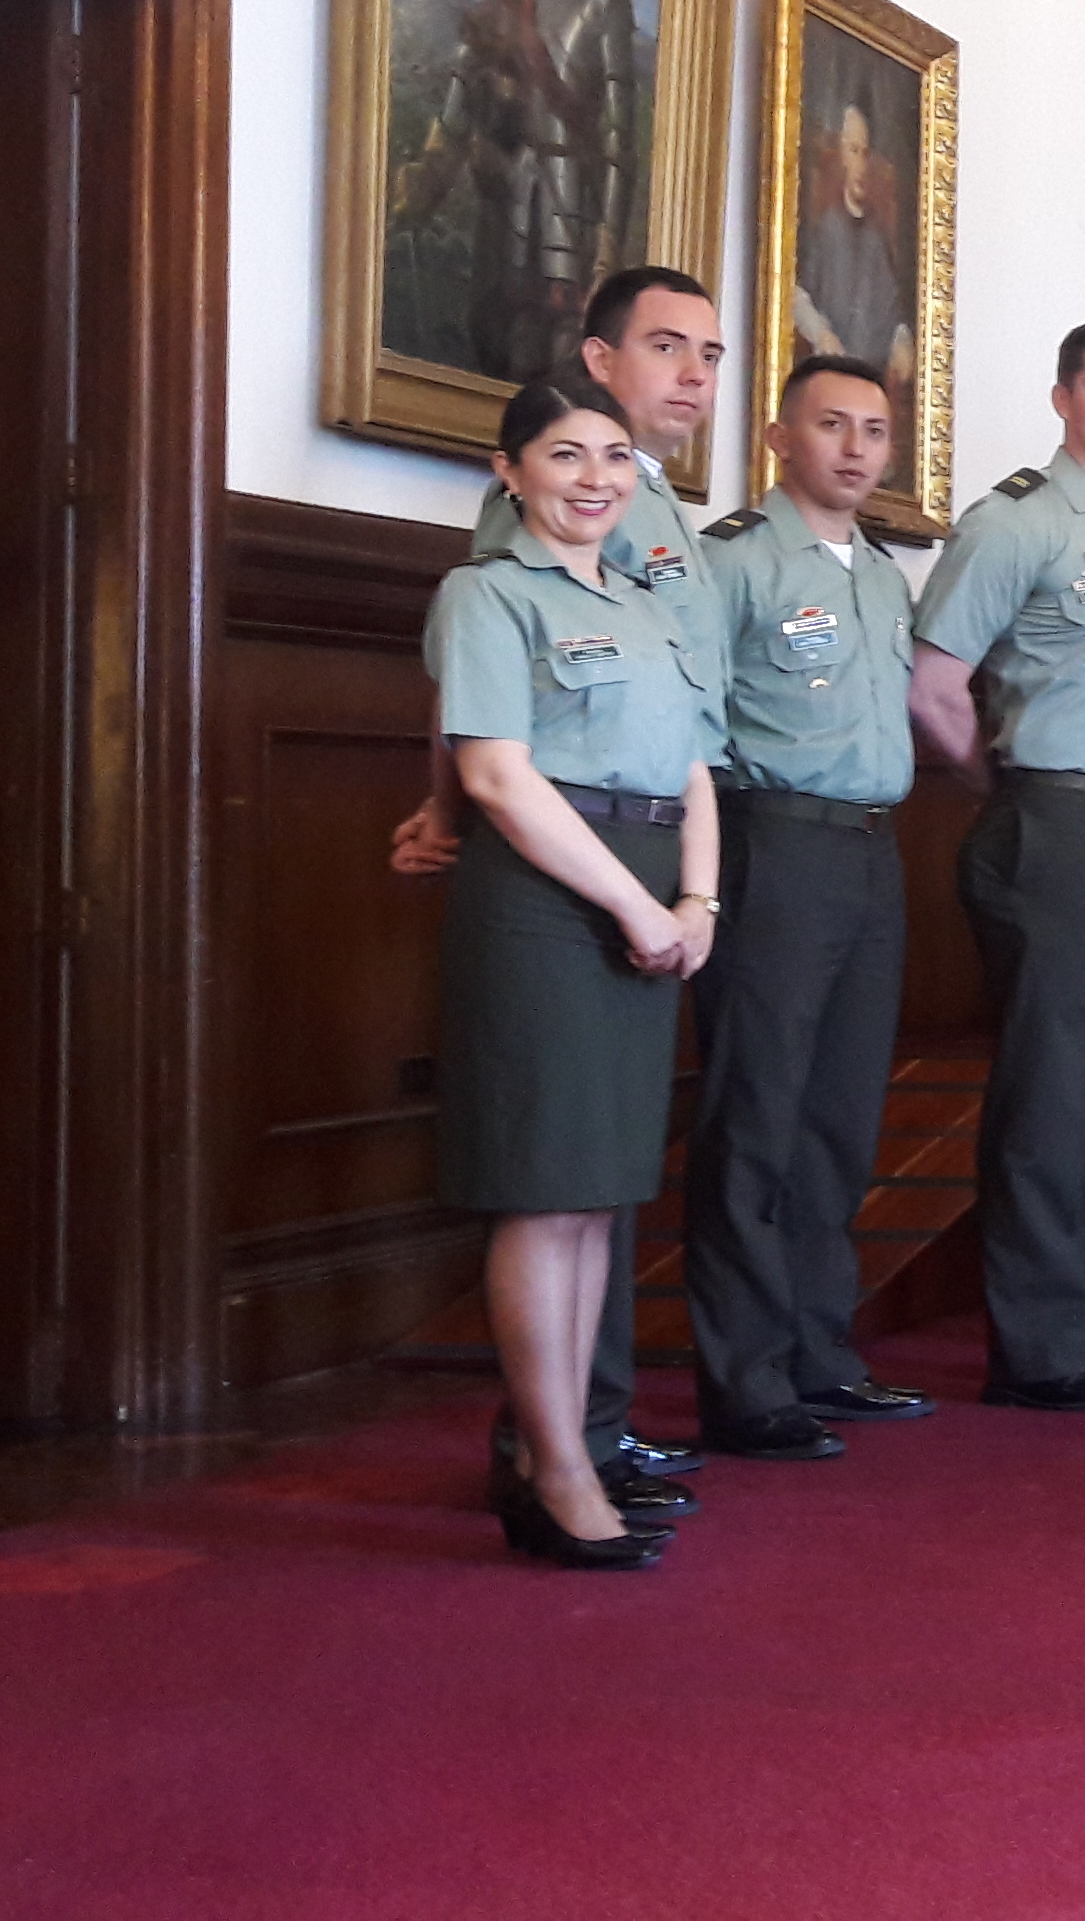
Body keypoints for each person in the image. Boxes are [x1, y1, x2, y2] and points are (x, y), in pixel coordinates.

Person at [393, 264, 726, 1524]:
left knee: (599, 1187)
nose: (594, 476)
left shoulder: (644, 595)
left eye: (611, 461)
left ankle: (577, 1440)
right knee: (545, 1183)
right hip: (551, 890)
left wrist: (693, 902)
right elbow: (493, 764)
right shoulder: (490, 590)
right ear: (511, 473)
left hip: (646, 882)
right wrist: (640, 911)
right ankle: (557, 1461)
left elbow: (692, 758)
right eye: (566, 456)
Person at [906, 321, 1085, 1413]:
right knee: (1050, 1090)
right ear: (1062, 398)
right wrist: (1008, 790)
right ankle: (1036, 1347)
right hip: (1058, 823)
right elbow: (934, 685)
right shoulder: (1016, 522)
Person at [682, 356, 930, 1464]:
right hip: (771, 844)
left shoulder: (883, 573)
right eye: (830, 426)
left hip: (872, 851)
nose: (855, 449)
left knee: (840, 1117)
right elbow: (688, 719)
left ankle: (818, 1352)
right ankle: (743, 1380)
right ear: (781, 439)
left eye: (873, 431)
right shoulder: (734, 559)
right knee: (759, 1114)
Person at [392, 0, 639, 387]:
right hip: (503, 190)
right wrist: (432, 161)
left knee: (558, 361)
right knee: (493, 334)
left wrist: (608, 247)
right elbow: (469, 70)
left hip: (567, 202)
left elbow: (615, 135)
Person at [789, 98, 913, 372]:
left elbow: (890, 313)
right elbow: (794, 293)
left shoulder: (875, 238)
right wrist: (821, 333)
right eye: (854, 151)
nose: (861, 164)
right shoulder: (826, 228)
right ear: (841, 156)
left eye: (865, 153)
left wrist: (902, 340)